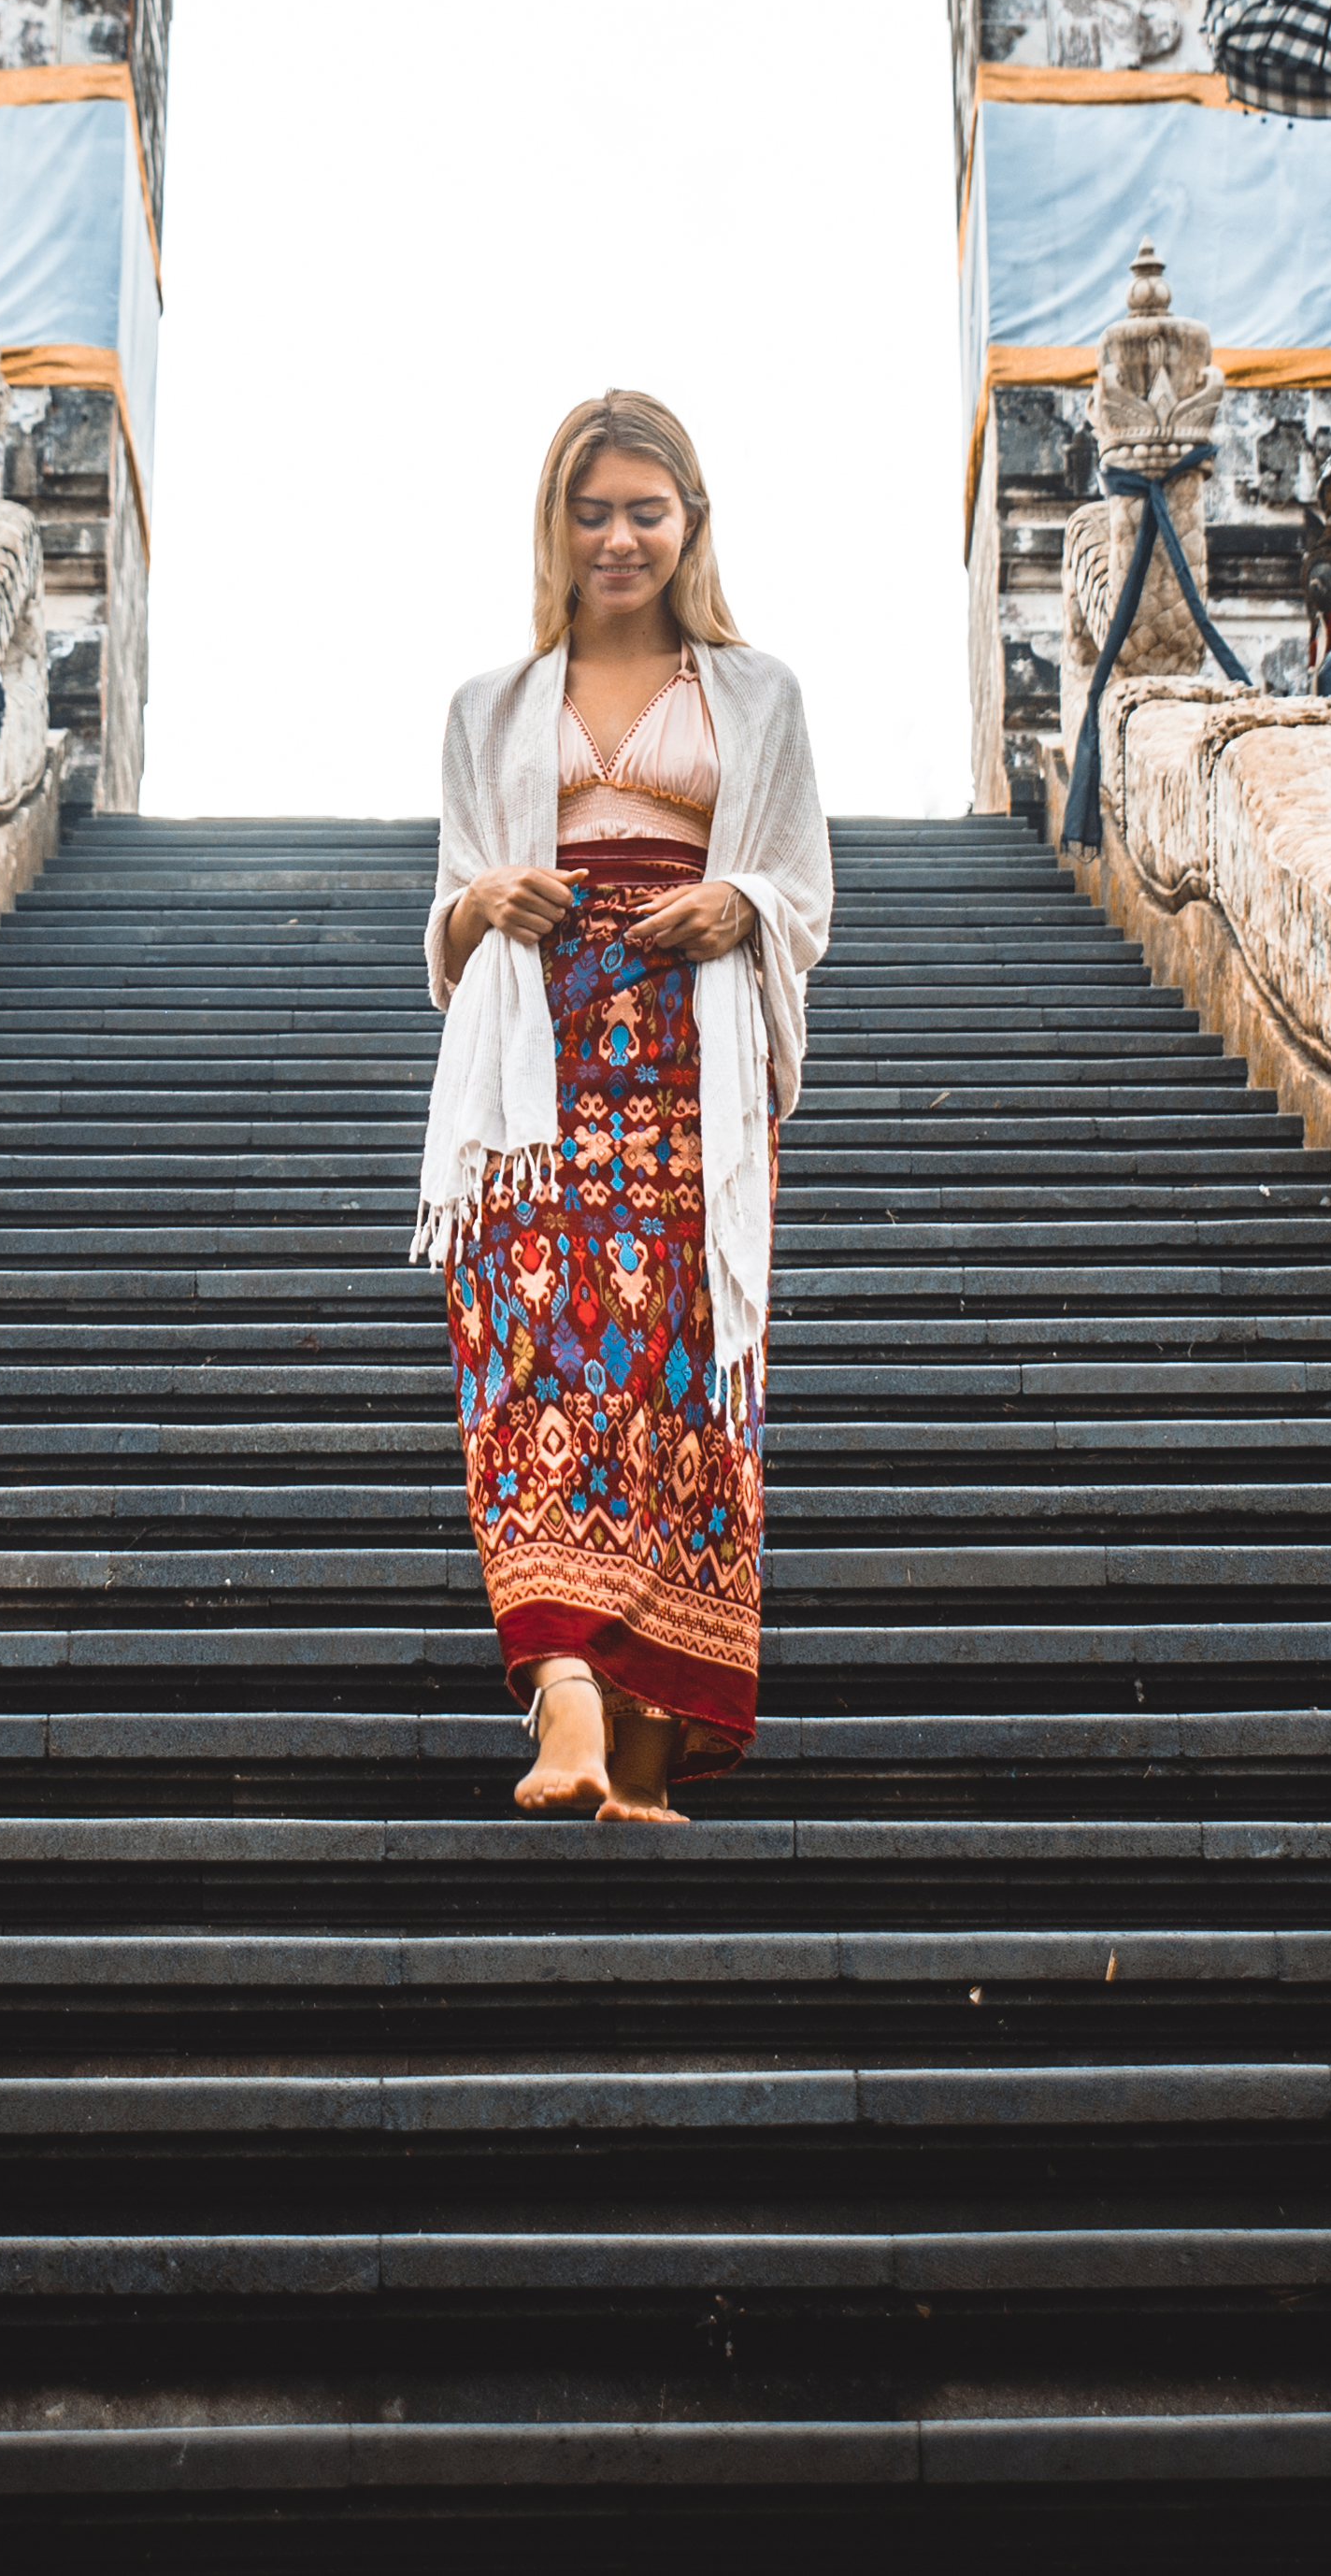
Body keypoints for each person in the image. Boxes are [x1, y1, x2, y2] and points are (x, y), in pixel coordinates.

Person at [420, 392, 834, 1823]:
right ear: (557, 525)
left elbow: (803, 893)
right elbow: (455, 903)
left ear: (690, 521)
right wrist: (484, 899)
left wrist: (739, 903)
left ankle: (649, 1748)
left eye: (645, 509)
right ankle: (566, 1687)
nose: (618, 536)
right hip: (534, 1070)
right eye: (591, 510)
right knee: (531, 1356)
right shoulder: (491, 706)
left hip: (690, 1068)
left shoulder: (758, 694)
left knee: (676, 1371)